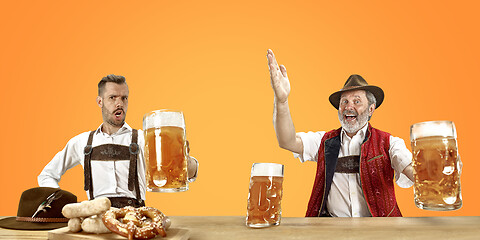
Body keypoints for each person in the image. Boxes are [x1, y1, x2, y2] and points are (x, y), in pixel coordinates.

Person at [267, 49, 413, 217]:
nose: (348, 107)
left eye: (357, 101)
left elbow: (411, 169)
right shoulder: (324, 141)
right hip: (330, 232)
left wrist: (433, 182)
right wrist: (282, 100)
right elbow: (287, 141)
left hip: (379, 233)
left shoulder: (389, 143)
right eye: (344, 102)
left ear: (371, 108)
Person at [38, 74, 198, 208]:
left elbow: (188, 175)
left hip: (136, 219)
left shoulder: (144, 139)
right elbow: (47, 175)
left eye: (124, 98)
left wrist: (185, 160)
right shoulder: (82, 142)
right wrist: (61, 204)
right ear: (100, 101)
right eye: (112, 98)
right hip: (95, 219)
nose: (119, 103)